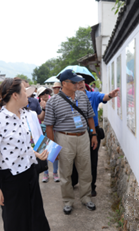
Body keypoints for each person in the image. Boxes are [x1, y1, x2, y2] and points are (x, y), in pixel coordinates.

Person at [0, 78, 50, 231]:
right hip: (11, 179)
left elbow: (27, 143)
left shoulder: (26, 115)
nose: (28, 96)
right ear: (15, 95)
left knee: (36, 217)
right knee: (16, 220)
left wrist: (38, 153)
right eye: (25, 92)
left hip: (30, 172)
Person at [44, 69, 98, 215]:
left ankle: (86, 197)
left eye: (78, 81)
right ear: (64, 84)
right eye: (74, 82)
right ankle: (68, 200)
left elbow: (90, 116)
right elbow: (49, 126)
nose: (77, 84)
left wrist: (93, 134)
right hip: (64, 137)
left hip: (83, 136)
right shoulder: (53, 101)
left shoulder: (82, 96)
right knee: (66, 172)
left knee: (85, 169)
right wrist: (52, 149)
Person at [77, 77, 119, 196]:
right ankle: (78, 182)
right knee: (79, 161)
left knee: (92, 161)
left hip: (92, 132)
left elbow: (103, 97)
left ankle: (92, 186)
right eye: (77, 83)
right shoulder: (71, 98)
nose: (80, 85)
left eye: (81, 82)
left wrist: (110, 95)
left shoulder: (93, 96)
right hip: (78, 133)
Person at [37, 87, 60, 183]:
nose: (45, 94)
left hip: (53, 129)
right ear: (39, 96)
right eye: (43, 93)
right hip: (42, 131)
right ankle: (45, 173)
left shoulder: (53, 102)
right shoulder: (37, 104)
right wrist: (43, 108)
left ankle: (55, 172)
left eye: (47, 92)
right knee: (44, 153)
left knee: (54, 152)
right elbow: (40, 117)